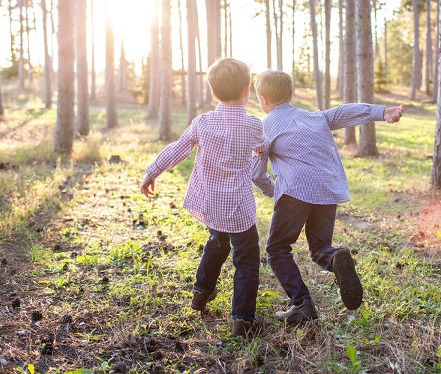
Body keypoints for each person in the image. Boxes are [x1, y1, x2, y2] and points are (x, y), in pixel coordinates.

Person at [251, 70, 404, 325]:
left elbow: (256, 173)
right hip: (327, 188)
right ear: (290, 95)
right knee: (320, 248)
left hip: (296, 191)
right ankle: (334, 258)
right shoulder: (315, 117)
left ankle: (302, 304)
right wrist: (381, 112)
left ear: (263, 100)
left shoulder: (265, 126)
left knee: (277, 249)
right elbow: (343, 112)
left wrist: (274, 190)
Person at [140, 58, 268, 337]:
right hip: (238, 209)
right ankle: (242, 320)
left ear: (212, 92)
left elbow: (178, 148)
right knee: (246, 260)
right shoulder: (253, 125)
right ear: (247, 91)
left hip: (211, 203)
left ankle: (201, 293)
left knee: (217, 243)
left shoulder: (203, 122)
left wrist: (152, 172)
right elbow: (262, 148)